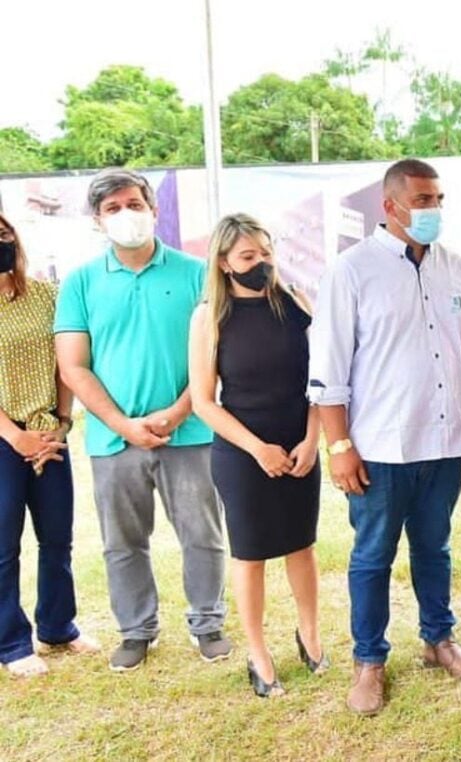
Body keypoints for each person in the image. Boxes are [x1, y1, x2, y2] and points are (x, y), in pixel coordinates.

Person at [309, 158, 461, 716]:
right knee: (373, 556)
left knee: (435, 548)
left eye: (438, 199)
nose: (432, 209)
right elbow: (329, 370)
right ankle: (369, 662)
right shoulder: (352, 270)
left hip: (444, 443)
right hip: (379, 449)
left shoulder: (456, 267)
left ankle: (440, 640)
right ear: (389, 206)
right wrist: (338, 446)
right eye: (421, 199)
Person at [54, 168, 230, 672]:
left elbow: (214, 352)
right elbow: (74, 366)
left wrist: (179, 410)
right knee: (123, 542)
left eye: (134, 204)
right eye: (113, 209)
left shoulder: (197, 273)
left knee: (202, 532)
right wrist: (123, 424)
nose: (126, 215)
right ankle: (136, 631)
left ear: (154, 210)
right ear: (97, 220)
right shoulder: (81, 282)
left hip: (190, 431)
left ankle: (208, 623)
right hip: (114, 440)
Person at [189, 214, 327, 698]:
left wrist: (313, 440)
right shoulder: (210, 316)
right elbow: (204, 401)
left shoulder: (295, 304)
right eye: (249, 257)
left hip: (300, 445)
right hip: (243, 451)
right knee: (250, 555)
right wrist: (256, 449)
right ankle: (258, 653)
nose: (261, 264)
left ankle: (309, 634)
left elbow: (322, 383)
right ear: (225, 263)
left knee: (301, 545)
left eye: (266, 254)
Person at [0, 213, 99, 677]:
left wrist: (61, 423)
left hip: (48, 432)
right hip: (6, 437)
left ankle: (59, 626)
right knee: (4, 545)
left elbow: (66, 364)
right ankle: (12, 643)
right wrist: (15, 436)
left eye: (3, 233)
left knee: (57, 537)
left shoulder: (45, 295)